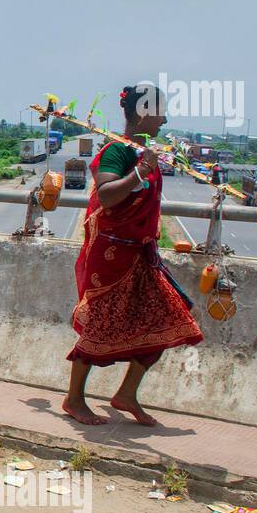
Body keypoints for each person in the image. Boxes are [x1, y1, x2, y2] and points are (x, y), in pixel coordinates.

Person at [62, 84, 203, 426]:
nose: (164, 119)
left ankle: (126, 394)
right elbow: (108, 196)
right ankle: (74, 398)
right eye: (159, 112)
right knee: (100, 324)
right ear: (142, 113)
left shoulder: (142, 152)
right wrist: (140, 171)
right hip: (111, 256)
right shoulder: (118, 152)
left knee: (168, 317)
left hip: (141, 256)